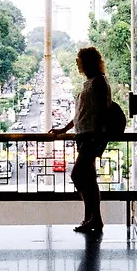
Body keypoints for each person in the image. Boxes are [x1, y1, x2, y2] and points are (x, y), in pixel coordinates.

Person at [48, 46, 112, 233]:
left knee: (78, 175)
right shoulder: (90, 82)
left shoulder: (98, 82)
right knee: (89, 178)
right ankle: (92, 219)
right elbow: (81, 114)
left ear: (88, 62)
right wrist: (64, 129)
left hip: (92, 136)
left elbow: (100, 112)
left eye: (81, 61)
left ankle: (94, 218)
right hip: (85, 135)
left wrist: (97, 136)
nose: (79, 64)